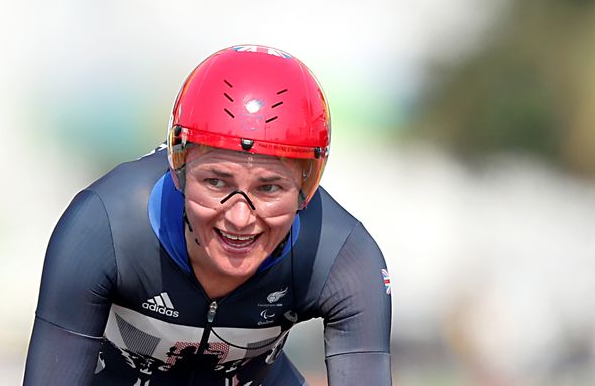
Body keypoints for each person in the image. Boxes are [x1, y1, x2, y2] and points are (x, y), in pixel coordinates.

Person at [23, 45, 392, 385]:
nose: (239, 218)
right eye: (216, 182)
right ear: (179, 171)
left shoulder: (343, 255)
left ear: (305, 189)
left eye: (269, 189)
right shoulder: (105, 226)